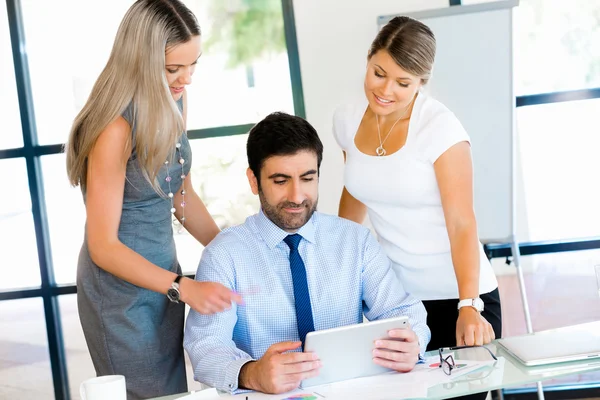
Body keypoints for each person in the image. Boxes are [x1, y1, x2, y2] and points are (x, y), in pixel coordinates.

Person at [64, 1, 242, 398]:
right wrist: (182, 286)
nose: (186, 79)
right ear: (140, 62)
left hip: (164, 278)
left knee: (173, 392)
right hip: (121, 294)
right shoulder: (114, 126)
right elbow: (103, 247)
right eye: (173, 69)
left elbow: (181, 194)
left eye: (193, 65)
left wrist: (232, 252)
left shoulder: (173, 99)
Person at [184, 112, 430, 395]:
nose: (297, 196)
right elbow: (206, 345)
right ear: (254, 180)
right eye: (280, 180)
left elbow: (402, 310)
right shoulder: (224, 255)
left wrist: (413, 342)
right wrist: (250, 373)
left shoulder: (355, 241)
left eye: (307, 178)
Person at [333, 16, 502, 359]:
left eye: (402, 83)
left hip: (460, 295)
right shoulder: (347, 119)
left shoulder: (440, 128)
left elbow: (462, 223)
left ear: (421, 82)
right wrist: (342, 271)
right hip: (401, 303)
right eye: (378, 73)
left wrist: (469, 304)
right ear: (368, 58)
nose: (385, 90)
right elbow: (357, 191)